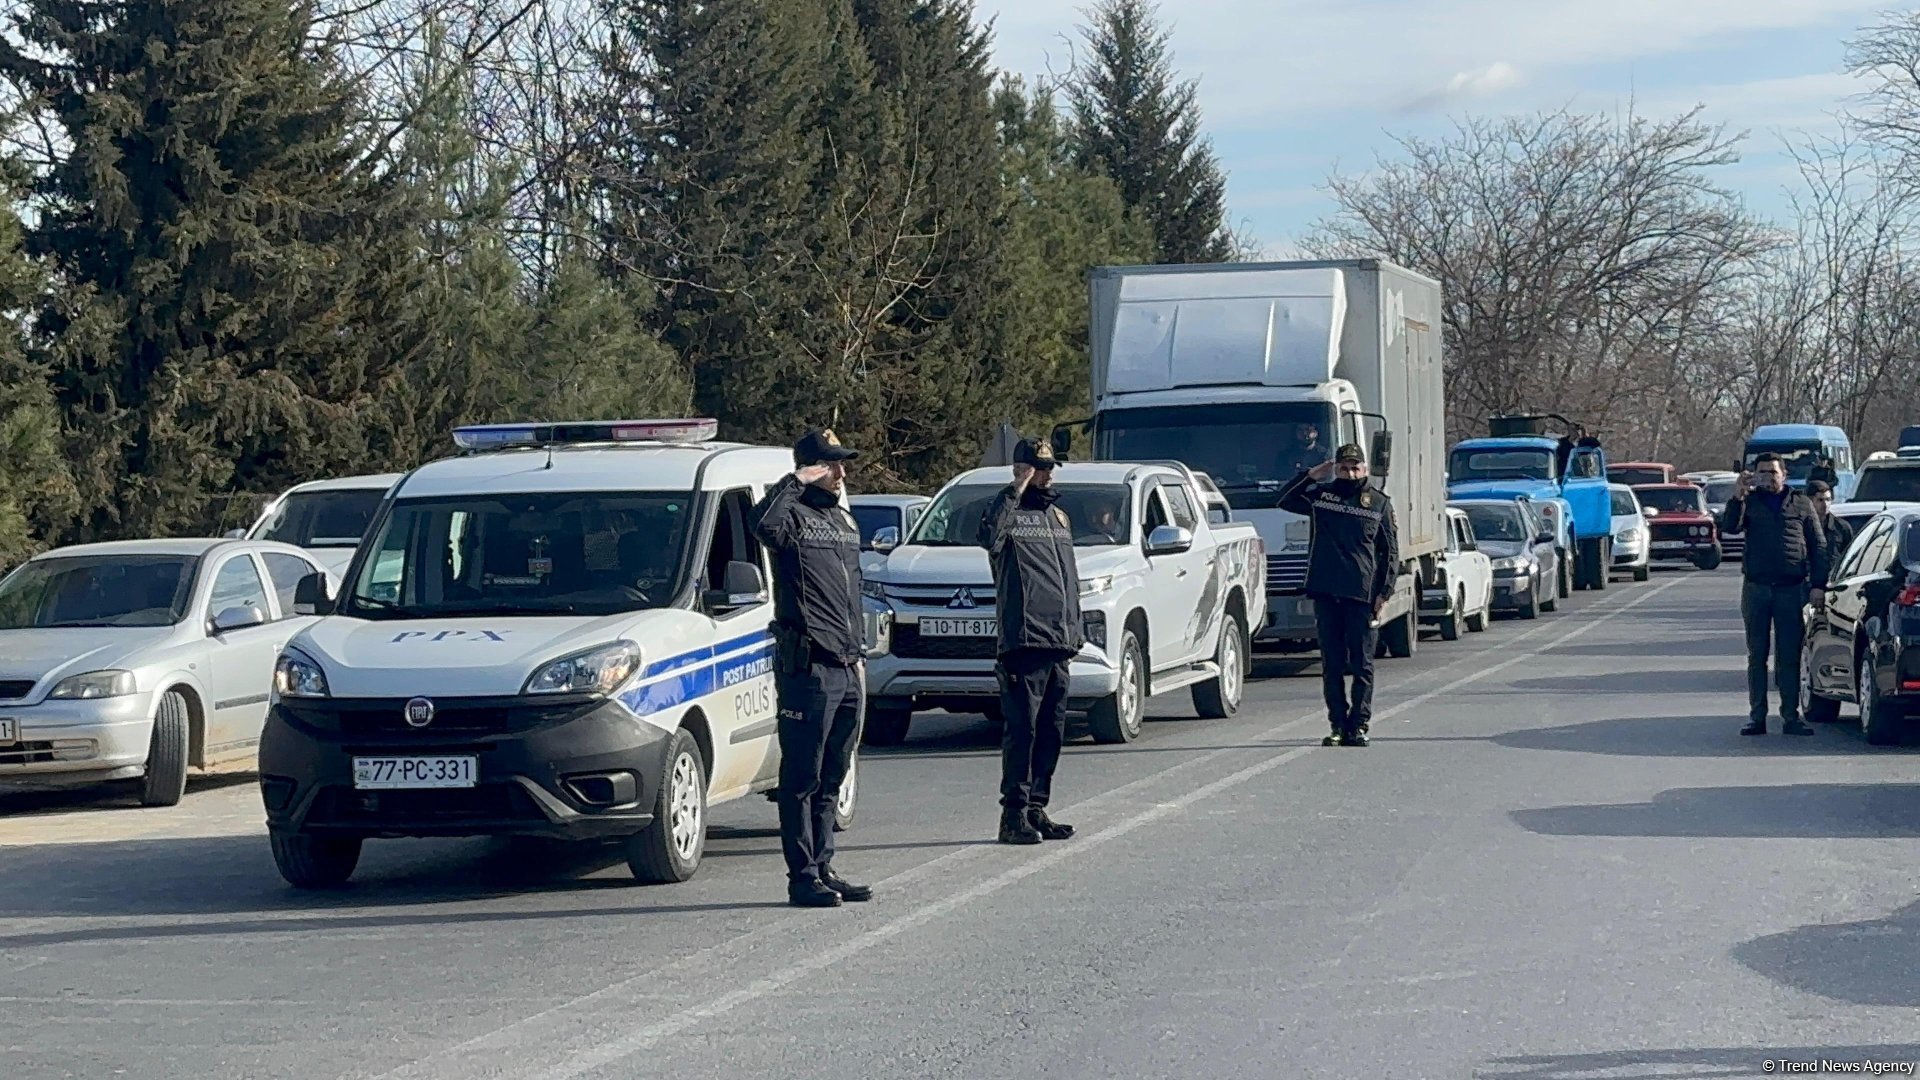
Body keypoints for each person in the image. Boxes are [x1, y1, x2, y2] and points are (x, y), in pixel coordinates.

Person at [750, 427, 872, 908]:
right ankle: (801, 877)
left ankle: (824, 866)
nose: (841, 473)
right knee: (801, 777)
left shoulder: (842, 523)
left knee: (832, 774)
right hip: (810, 668)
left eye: (841, 464)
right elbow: (762, 526)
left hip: (846, 664)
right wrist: (795, 480)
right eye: (831, 464)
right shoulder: (790, 517)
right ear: (811, 467)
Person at [978, 437, 1083, 845]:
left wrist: (1074, 631)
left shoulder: (1059, 517)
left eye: (1050, 466)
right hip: (1024, 644)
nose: (1048, 473)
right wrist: (1015, 490)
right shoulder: (1006, 512)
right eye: (1038, 467)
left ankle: (1038, 808)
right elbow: (989, 536)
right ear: (1022, 469)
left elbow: (1067, 580)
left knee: (1051, 733)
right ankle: (1013, 815)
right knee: (1022, 733)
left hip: (1059, 643)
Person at [1278, 444, 1399, 747]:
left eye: (1355, 467)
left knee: (1361, 665)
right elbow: (1283, 500)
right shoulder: (1321, 497)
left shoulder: (1378, 503)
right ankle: (1337, 725)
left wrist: (1383, 593)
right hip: (1326, 592)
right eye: (1344, 467)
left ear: (1365, 469)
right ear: (1336, 469)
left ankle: (1358, 726)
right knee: (1332, 666)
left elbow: (1390, 554)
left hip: (1361, 595)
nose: (1350, 473)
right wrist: (1309, 475)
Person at [1722, 453, 1828, 737]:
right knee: (1757, 655)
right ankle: (1757, 717)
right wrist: (1738, 496)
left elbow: (1818, 547)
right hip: (1756, 588)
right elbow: (1729, 527)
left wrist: (1818, 585)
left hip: (1791, 589)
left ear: (1784, 474)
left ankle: (1791, 717)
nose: (1768, 477)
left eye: (1773, 472)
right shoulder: (1750, 502)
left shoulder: (1801, 504)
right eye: (1762, 472)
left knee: (1789, 656)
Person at [1807, 479, 1854, 569]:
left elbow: (1849, 558)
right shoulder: (1802, 527)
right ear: (1810, 501)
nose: (1825, 504)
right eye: (1820, 500)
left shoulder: (1842, 527)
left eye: (1828, 500)